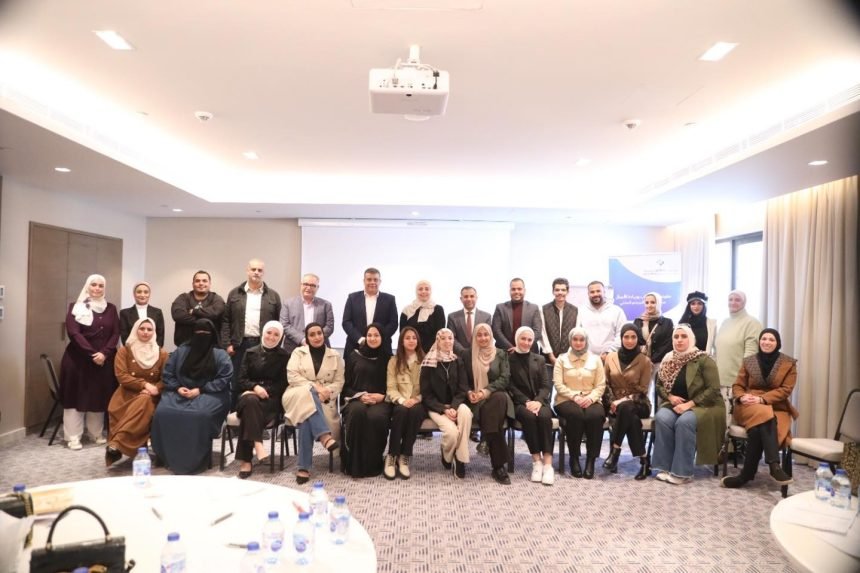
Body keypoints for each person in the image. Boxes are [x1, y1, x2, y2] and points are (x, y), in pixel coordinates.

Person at [151, 319, 232, 474]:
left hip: (211, 393)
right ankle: (167, 456)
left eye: (205, 333)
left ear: (212, 335)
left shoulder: (220, 354)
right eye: (198, 332)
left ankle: (196, 460)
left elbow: (224, 378)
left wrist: (200, 390)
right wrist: (177, 387)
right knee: (163, 412)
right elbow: (168, 373)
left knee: (199, 415)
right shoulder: (181, 351)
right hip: (179, 391)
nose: (202, 336)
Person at [721, 328, 797, 488]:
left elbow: (786, 390)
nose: (766, 342)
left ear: (778, 343)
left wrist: (763, 399)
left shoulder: (789, 363)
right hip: (749, 405)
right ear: (759, 341)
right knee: (763, 414)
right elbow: (738, 385)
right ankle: (774, 465)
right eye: (764, 339)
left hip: (776, 407)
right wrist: (741, 396)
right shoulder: (749, 361)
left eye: (771, 339)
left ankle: (745, 476)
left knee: (756, 429)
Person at [652, 325, 725, 485]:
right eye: (676, 337)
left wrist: (690, 404)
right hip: (676, 404)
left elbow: (713, 389)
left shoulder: (704, 359)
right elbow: (659, 385)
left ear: (691, 339)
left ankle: (682, 472)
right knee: (662, 417)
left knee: (684, 422)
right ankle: (664, 467)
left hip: (704, 405)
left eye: (683, 336)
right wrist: (670, 397)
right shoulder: (668, 359)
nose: (679, 340)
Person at [59, 274, 120, 450]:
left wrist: (104, 353)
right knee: (75, 398)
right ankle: (73, 437)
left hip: (103, 361)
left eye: (101, 286)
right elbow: (74, 333)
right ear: (87, 286)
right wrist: (93, 354)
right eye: (93, 285)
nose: (97, 288)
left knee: (98, 397)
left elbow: (115, 333)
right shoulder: (75, 307)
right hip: (78, 360)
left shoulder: (111, 308)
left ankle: (96, 433)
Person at [283, 322, 344, 484]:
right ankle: (324, 436)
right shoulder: (298, 352)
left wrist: (325, 392)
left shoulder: (334, 355)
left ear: (323, 335)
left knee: (306, 416)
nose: (316, 337)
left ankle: (303, 468)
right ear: (307, 338)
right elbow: (292, 376)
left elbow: (339, 382)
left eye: (319, 333)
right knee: (307, 394)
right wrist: (315, 388)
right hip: (295, 395)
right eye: (312, 334)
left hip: (324, 399)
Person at [106, 317, 168, 466]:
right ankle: (119, 444)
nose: (145, 332)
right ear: (135, 330)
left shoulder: (162, 354)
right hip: (126, 395)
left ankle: (117, 443)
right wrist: (144, 385)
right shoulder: (124, 351)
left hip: (152, 396)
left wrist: (155, 389)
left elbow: (166, 378)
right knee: (141, 402)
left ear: (154, 332)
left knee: (144, 401)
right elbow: (121, 376)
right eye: (142, 329)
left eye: (149, 329)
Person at [221, 259, 282, 408]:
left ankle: (260, 416)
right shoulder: (234, 293)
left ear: (263, 273)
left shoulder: (273, 296)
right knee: (236, 382)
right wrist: (227, 344)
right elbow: (226, 320)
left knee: (261, 382)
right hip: (239, 345)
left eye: (260, 270)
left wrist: (275, 346)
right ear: (247, 271)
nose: (256, 272)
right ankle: (234, 416)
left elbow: (278, 324)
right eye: (253, 269)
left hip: (263, 346)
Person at [234, 321, 289, 479]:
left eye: (276, 334)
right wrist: (255, 388)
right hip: (249, 394)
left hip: (270, 400)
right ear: (263, 333)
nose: (272, 337)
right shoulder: (250, 352)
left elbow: (284, 383)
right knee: (250, 401)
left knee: (249, 408)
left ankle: (246, 460)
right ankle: (258, 443)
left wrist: (266, 391)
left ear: (280, 337)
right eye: (269, 332)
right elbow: (241, 379)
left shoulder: (284, 356)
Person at [553, 327, 606, 479]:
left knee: (595, 416)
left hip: (591, 398)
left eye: (581, 340)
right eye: (575, 339)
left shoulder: (595, 359)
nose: (578, 343)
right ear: (570, 341)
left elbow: (601, 385)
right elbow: (558, 384)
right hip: (566, 399)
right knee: (575, 415)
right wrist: (575, 397)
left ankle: (591, 460)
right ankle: (574, 458)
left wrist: (590, 398)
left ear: (586, 341)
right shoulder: (561, 359)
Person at [463, 323, 513, 485]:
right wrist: (469, 392)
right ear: (474, 337)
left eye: (486, 334)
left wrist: (485, 392)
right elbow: (462, 380)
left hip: (494, 397)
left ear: (491, 336)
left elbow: (505, 378)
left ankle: (486, 440)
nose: (483, 338)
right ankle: (498, 466)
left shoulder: (501, 354)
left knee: (499, 398)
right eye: (479, 335)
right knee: (495, 418)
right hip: (474, 401)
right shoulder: (467, 354)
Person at [340, 324, 393, 477]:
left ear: (382, 337)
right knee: (357, 412)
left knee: (376, 417)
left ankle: (373, 464)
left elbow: (393, 386)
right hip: (356, 399)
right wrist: (359, 396)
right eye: (369, 335)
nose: (372, 338)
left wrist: (382, 396)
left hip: (381, 400)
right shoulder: (353, 356)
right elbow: (345, 386)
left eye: (376, 335)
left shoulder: (389, 359)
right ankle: (352, 464)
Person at [420, 328, 472, 478]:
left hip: (456, 404)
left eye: (450, 338)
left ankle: (460, 459)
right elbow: (426, 395)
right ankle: (447, 454)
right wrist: (444, 409)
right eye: (443, 338)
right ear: (437, 341)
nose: (447, 341)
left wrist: (454, 407)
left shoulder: (457, 361)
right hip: (436, 407)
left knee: (466, 413)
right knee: (452, 433)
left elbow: (463, 388)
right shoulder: (428, 363)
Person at [603, 324, 652, 480]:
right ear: (621, 338)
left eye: (633, 337)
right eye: (626, 337)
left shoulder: (645, 361)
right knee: (631, 419)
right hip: (616, 403)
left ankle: (615, 450)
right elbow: (605, 384)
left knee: (626, 408)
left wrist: (622, 401)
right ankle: (645, 461)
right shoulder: (610, 357)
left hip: (639, 403)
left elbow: (643, 390)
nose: (629, 340)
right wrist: (613, 402)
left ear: (638, 339)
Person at [508, 326, 555, 485]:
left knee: (544, 416)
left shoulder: (539, 359)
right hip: (520, 403)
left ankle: (548, 464)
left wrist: (538, 401)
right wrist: (527, 402)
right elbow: (510, 386)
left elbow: (546, 385)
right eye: (523, 339)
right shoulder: (509, 360)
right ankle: (537, 462)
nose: (526, 342)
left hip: (540, 401)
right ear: (517, 339)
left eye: (530, 340)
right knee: (528, 417)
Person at [384, 327, 426, 480]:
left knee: (415, 412)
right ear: (402, 341)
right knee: (401, 411)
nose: (411, 341)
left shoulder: (425, 360)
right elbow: (391, 387)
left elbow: (429, 387)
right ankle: (391, 455)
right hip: (399, 401)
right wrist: (402, 400)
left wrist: (416, 399)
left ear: (418, 341)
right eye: (407, 338)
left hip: (419, 401)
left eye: (414, 338)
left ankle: (404, 456)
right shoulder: (393, 361)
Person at [342, 268, 398, 360]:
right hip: (355, 346)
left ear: (380, 281)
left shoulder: (390, 299)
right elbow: (346, 322)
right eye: (369, 279)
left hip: (382, 349)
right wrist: (360, 339)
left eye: (375, 279)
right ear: (364, 281)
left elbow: (393, 323)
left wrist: (379, 339)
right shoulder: (352, 298)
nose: (372, 282)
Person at [715, 290, 763, 389]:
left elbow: (751, 354)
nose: (733, 302)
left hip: (739, 383)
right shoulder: (725, 322)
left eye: (737, 300)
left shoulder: (752, 323)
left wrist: (742, 381)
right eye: (730, 299)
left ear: (744, 303)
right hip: (720, 381)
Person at [280, 273, 335, 353]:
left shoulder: (326, 305)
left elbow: (329, 326)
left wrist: (315, 338)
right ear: (301, 285)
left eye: (312, 285)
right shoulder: (288, 303)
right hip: (293, 349)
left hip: (320, 349)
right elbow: (285, 325)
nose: (308, 288)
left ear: (317, 287)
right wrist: (302, 339)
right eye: (305, 284)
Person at [170, 270, 226, 347]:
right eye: (197, 281)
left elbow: (215, 312)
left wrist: (194, 311)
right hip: (184, 345)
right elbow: (177, 315)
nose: (201, 283)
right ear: (193, 284)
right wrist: (207, 320)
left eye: (204, 281)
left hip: (211, 346)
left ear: (210, 284)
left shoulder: (217, 299)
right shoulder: (183, 298)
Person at [578, 281, 627, 360]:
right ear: (588, 294)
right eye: (592, 292)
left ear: (604, 292)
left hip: (611, 357)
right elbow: (578, 335)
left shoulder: (617, 311)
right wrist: (585, 353)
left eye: (598, 291)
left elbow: (622, 334)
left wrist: (609, 352)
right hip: (587, 359)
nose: (595, 294)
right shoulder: (580, 311)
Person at [492, 278, 542, 354]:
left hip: (529, 353)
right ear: (510, 291)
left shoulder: (533, 308)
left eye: (519, 289)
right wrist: (510, 347)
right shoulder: (500, 308)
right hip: (505, 352)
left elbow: (537, 331)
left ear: (524, 290)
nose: (516, 292)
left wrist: (522, 347)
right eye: (513, 289)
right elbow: (496, 331)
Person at [539, 278, 580, 365]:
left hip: (569, 359)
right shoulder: (544, 309)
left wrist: (568, 356)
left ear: (567, 292)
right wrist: (551, 356)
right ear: (553, 291)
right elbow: (543, 334)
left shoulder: (575, 310)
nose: (560, 292)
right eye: (557, 290)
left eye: (563, 290)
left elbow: (575, 334)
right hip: (547, 358)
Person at [399, 280, 445, 353]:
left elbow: (440, 333)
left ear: (431, 291)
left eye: (427, 289)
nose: (423, 291)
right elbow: (402, 334)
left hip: (432, 353)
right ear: (416, 291)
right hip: (411, 352)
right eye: (420, 289)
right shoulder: (407, 310)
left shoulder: (438, 309)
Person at [447, 286, 492, 355]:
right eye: (466, 296)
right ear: (461, 299)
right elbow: (452, 337)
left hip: (480, 356)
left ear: (476, 298)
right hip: (459, 356)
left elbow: (487, 337)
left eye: (472, 296)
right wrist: (463, 352)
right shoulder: (452, 317)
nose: (469, 299)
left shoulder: (486, 317)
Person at [633, 292, 673, 369]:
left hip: (660, 364)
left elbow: (667, 345)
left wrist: (651, 360)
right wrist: (643, 360)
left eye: (653, 302)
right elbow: (635, 343)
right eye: (647, 303)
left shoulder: (667, 323)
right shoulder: (638, 321)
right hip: (640, 363)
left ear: (658, 303)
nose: (649, 305)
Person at [118, 281, 165, 347]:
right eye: (139, 292)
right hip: (132, 350)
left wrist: (154, 350)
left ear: (149, 294)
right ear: (134, 294)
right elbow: (125, 337)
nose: (142, 295)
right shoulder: (124, 313)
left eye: (146, 292)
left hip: (153, 351)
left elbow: (160, 336)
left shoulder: (157, 312)